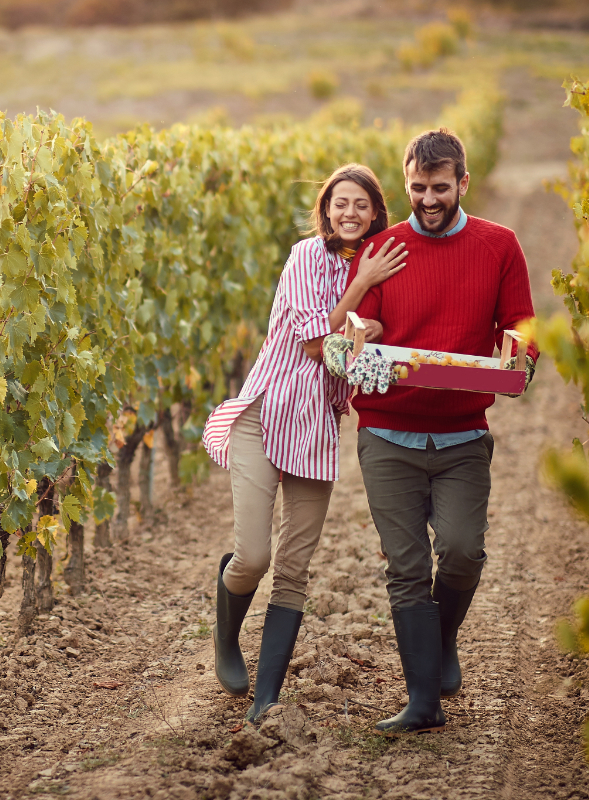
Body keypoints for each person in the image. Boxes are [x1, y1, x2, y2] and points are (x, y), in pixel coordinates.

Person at [323, 128, 538, 735]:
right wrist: (362, 334)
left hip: (462, 435)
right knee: (407, 567)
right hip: (388, 434)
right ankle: (423, 702)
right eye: (417, 188)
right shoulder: (383, 249)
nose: (427, 199)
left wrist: (519, 357)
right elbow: (352, 333)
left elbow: (521, 327)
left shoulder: (500, 245)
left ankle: (438, 644)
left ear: (463, 183)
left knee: (465, 551)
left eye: (440, 188)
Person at [201, 164, 408, 724]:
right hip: (265, 416)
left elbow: (377, 345)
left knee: (294, 567)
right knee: (254, 556)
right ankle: (225, 638)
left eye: (361, 205)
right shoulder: (304, 258)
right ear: (325, 209)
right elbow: (319, 343)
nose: (349, 212)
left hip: (316, 429)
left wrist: (375, 317)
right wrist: (362, 288)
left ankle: (267, 698)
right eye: (340, 202)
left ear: (374, 214)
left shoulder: (382, 269)